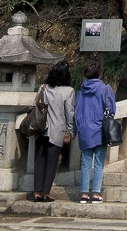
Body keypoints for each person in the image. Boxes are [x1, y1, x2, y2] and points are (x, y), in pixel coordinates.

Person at [33, 60, 75, 202]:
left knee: (39, 161)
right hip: (57, 131)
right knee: (52, 162)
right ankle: (46, 193)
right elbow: (70, 113)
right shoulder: (68, 91)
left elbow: (35, 106)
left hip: (40, 129)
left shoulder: (43, 88)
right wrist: (71, 130)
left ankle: (37, 192)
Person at [75, 62, 115, 203]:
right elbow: (111, 109)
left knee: (86, 163)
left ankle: (84, 193)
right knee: (99, 163)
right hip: (100, 130)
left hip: (85, 130)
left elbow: (77, 111)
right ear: (99, 74)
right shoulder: (105, 88)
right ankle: (96, 193)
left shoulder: (81, 90)